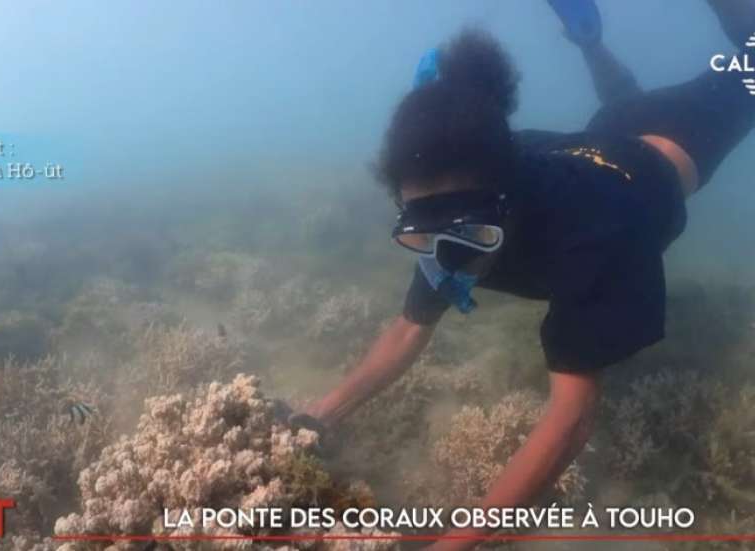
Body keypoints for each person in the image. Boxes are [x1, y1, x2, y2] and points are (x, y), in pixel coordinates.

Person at [286, 1, 755, 549]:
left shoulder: (593, 236)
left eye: (467, 232)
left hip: (675, 140)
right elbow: (408, 330)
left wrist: (458, 541)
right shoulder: (452, 206)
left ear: (507, 200)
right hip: (599, 137)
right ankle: (589, 39)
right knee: (617, 109)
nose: (448, 252)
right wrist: (319, 414)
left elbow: (572, 419)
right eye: (423, 232)